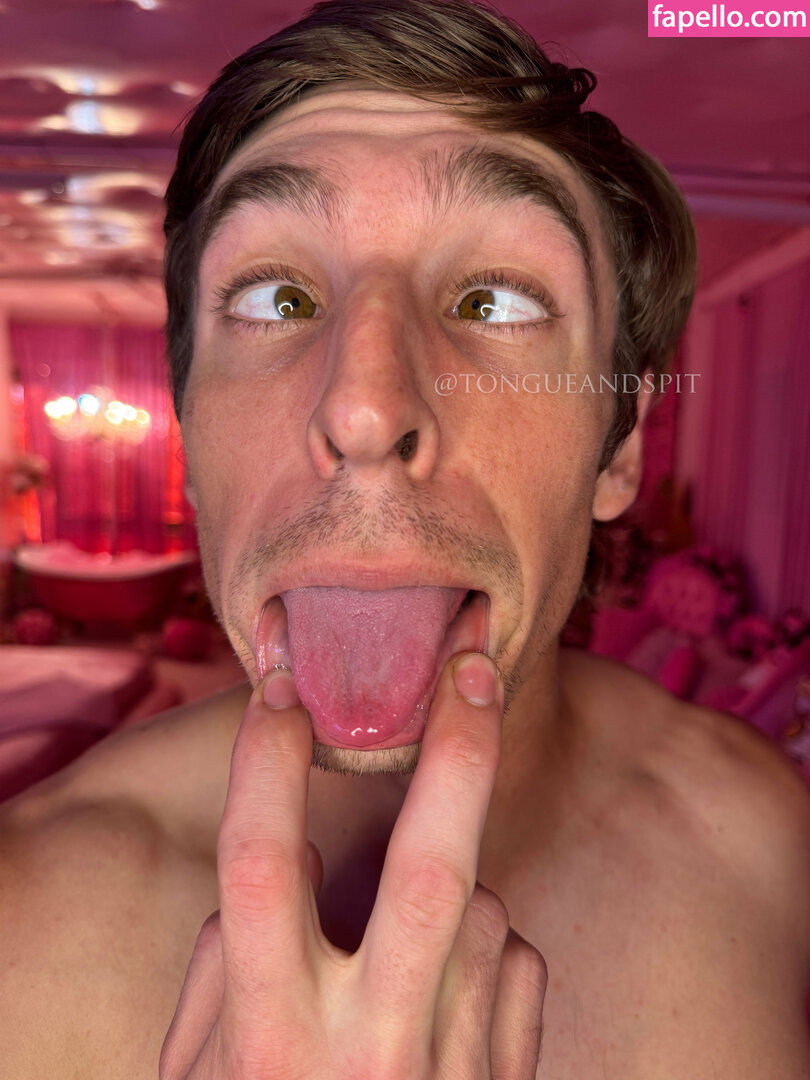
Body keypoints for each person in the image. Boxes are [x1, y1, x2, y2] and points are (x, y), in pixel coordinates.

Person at [2, 1, 809, 1076]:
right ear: (191, 436)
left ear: (620, 448)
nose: (365, 408)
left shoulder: (771, 841)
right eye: (280, 296)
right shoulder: (19, 930)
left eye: (495, 301)